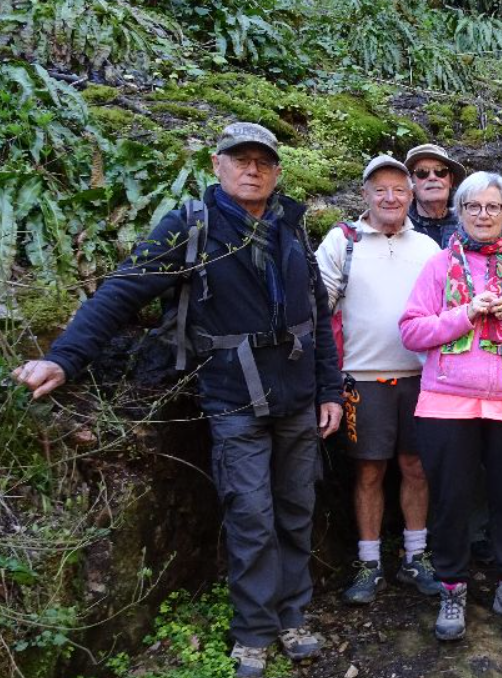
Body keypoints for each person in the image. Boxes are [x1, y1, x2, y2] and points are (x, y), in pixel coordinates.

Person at [12, 122, 343, 678]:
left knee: (295, 509)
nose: (252, 169)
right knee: (250, 515)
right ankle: (254, 633)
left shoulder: (291, 224)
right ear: (217, 165)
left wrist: (330, 390)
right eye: (241, 159)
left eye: (263, 161)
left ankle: (292, 616)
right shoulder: (191, 226)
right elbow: (123, 289)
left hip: (297, 397)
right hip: (233, 399)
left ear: (278, 170)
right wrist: (65, 357)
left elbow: (316, 317)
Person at [399, 171, 502, 641]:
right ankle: (452, 586)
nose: (483, 215)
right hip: (447, 403)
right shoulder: (437, 265)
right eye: (473, 207)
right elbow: (410, 331)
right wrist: (465, 313)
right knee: (451, 502)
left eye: (493, 207)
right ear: (460, 212)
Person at [315, 155, 442, 605]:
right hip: (361, 379)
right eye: (380, 189)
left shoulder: (427, 248)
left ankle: (416, 555)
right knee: (369, 470)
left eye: (399, 190)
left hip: (421, 377)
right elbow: (318, 308)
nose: (390, 198)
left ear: (411, 196)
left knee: (416, 466)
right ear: (364, 195)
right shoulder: (341, 242)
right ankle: (369, 562)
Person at [405, 143, 466, 247]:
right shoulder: (400, 226)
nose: (432, 177)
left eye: (441, 171)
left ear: (450, 180)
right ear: (410, 183)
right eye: (422, 172)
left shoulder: (468, 222)